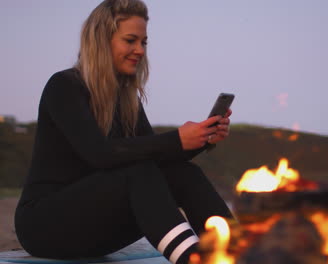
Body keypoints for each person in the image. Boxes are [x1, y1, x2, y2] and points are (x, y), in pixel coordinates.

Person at [14, 1, 233, 264]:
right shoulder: (64, 86)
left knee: (184, 174)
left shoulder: (126, 99)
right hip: (44, 226)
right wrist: (176, 139)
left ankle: (239, 253)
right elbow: (99, 154)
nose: (139, 50)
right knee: (137, 173)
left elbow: (157, 161)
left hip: (94, 228)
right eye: (131, 40)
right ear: (101, 40)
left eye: (144, 42)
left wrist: (202, 139)